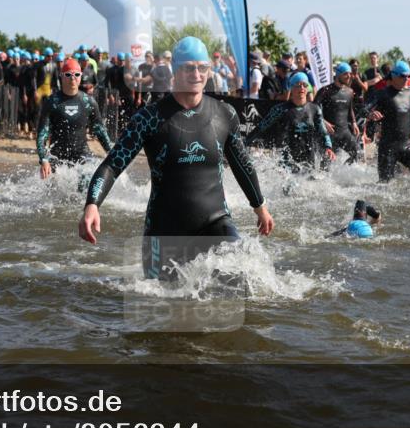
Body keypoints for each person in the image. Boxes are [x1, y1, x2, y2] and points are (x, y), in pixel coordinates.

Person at [79, 36, 273, 280]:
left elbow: (242, 164)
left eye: (202, 67)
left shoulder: (224, 114)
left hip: (215, 223)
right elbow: (112, 165)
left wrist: (260, 207)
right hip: (164, 231)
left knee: (239, 276)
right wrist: (92, 204)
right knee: (161, 306)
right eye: (188, 68)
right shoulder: (149, 119)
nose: (196, 74)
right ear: (175, 70)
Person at [36, 57, 113, 182]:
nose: (73, 78)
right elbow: (42, 135)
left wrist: (112, 153)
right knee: (52, 186)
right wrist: (44, 160)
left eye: (76, 74)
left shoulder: (88, 102)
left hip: (82, 154)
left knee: (89, 179)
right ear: (61, 76)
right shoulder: (51, 102)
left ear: (81, 76)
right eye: (68, 74)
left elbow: (100, 131)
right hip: (57, 156)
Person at [247, 72, 335, 173]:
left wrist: (328, 147)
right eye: (298, 85)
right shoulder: (280, 110)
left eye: (305, 85)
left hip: (308, 159)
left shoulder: (314, 109)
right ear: (291, 88)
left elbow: (323, 132)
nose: (302, 87)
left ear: (308, 89)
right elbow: (261, 127)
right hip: (286, 160)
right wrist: (245, 143)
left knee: (307, 185)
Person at [366, 61, 410, 182]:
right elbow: (363, 109)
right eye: (403, 76)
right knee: (384, 185)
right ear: (394, 76)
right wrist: (370, 114)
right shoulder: (382, 94)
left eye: (408, 75)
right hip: (387, 148)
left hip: (406, 145)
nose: (406, 78)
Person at [315, 63, 361, 164]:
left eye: (350, 73)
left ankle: (345, 174)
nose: (349, 76)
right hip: (329, 134)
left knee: (358, 153)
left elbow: (350, 109)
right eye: (345, 74)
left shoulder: (349, 92)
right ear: (338, 74)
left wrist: (354, 122)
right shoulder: (325, 91)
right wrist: (323, 121)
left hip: (345, 132)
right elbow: (314, 109)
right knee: (326, 164)